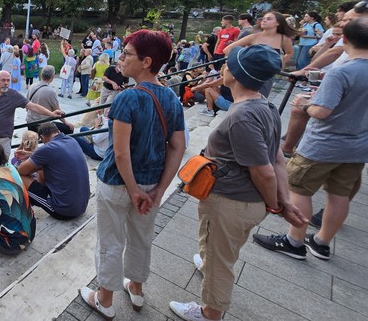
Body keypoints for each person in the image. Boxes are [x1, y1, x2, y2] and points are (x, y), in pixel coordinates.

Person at [168, 45, 308, 321]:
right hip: (245, 202)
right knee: (221, 248)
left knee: (221, 264)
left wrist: (276, 205)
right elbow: (277, 158)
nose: (223, 67)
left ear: (236, 73)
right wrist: (283, 202)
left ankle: (210, 313)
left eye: (228, 64)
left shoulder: (241, 116)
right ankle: (209, 263)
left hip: (231, 202)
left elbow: (265, 170)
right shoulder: (265, 105)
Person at [80, 30, 185, 320]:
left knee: (110, 240)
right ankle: (136, 290)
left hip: (118, 182)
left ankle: (105, 299)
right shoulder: (171, 98)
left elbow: (121, 152)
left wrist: (133, 189)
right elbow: (178, 146)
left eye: (126, 53)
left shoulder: (127, 98)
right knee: (141, 237)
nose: (120, 58)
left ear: (147, 61)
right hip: (152, 182)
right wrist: (159, 190)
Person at [254, 17, 368, 263]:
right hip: (358, 146)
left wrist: (305, 105)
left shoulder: (342, 71)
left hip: (324, 143)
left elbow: (322, 111)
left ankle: (294, 240)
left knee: (299, 189)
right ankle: (322, 242)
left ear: (345, 39)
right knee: (339, 195)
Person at [0, 70, 63, 161]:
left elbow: (33, 106)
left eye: (8, 80)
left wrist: (51, 113)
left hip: (3, 139)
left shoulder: (13, 95)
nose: (6, 83)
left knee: (2, 166)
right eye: (3, 80)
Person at [16, 122, 90, 219]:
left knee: (17, 176)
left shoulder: (47, 148)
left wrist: (32, 158)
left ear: (42, 138)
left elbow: (20, 171)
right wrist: (31, 155)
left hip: (63, 210)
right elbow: (56, 157)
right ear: (58, 131)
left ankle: (22, 208)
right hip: (81, 205)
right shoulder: (71, 140)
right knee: (44, 166)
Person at [223, 11, 297, 97]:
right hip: (249, 73)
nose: (264, 21)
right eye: (263, 19)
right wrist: (245, 58)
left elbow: (289, 52)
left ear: (278, 23)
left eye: (269, 19)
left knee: (262, 97)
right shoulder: (254, 37)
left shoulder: (283, 38)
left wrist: (280, 63)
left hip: (267, 74)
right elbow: (227, 50)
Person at [25, 66, 74, 135]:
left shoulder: (32, 86)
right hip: (43, 125)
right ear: (52, 77)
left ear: (41, 74)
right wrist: (66, 122)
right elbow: (57, 110)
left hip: (30, 122)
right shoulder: (51, 92)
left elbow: (27, 106)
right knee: (69, 129)